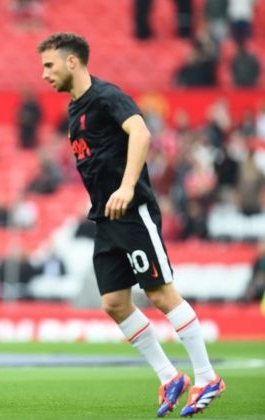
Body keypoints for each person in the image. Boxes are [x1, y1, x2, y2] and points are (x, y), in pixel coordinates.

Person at [37, 32, 225, 417]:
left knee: (160, 293)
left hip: (132, 209)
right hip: (105, 218)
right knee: (114, 302)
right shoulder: (74, 112)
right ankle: (170, 376)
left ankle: (207, 376)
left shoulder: (107, 96)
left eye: (49, 65)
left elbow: (140, 132)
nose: (44, 74)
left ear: (72, 61)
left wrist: (126, 187)